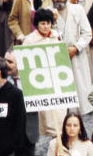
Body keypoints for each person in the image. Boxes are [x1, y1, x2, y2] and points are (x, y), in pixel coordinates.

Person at [48, 0, 93, 115]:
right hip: (57, 58)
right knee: (61, 98)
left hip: (76, 56)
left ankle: (79, 127)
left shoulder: (77, 9)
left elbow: (87, 33)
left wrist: (76, 47)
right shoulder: (47, 12)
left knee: (79, 94)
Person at [22, 8, 66, 138]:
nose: (46, 26)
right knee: (48, 118)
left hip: (58, 81)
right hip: (41, 84)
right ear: (37, 24)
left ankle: (60, 141)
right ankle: (54, 142)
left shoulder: (57, 35)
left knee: (60, 117)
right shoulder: (29, 40)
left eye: (48, 23)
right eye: (42, 23)